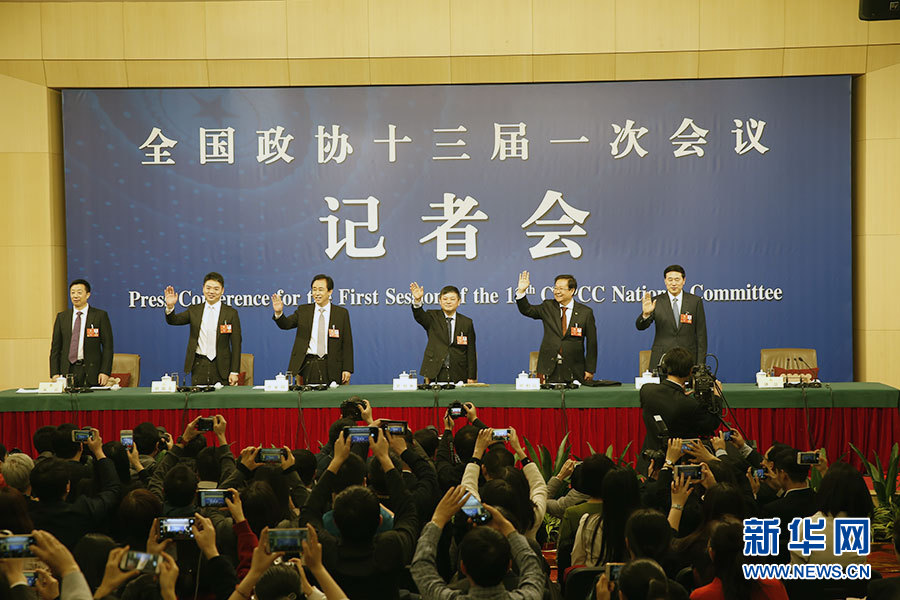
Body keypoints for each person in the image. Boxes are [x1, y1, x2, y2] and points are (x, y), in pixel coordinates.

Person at [410, 486, 544, 600]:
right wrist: (507, 527)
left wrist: (438, 519)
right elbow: (531, 566)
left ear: (463, 567)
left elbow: (421, 567)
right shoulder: (529, 596)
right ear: (509, 565)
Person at [635, 347, 720, 474]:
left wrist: (679, 393)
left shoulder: (646, 390)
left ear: (665, 368)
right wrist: (717, 397)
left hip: (649, 464)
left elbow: (667, 401)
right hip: (678, 469)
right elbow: (711, 424)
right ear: (690, 371)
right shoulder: (690, 405)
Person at [515, 271, 597, 382]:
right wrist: (521, 291)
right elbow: (527, 310)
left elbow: (592, 343)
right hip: (548, 368)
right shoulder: (548, 306)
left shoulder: (585, 312)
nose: (557, 292)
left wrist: (590, 369)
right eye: (555, 288)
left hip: (575, 369)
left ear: (572, 291)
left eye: (561, 289)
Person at [271, 274, 353, 385]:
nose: (316, 293)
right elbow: (286, 324)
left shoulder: (341, 313)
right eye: (314, 289)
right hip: (307, 364)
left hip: (332, 365)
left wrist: (347, 368)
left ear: (330, 292)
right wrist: (279, 313)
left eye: (320, 289)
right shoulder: (304, 311)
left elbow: (347, 343)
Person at [164, 272, 242, 386]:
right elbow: (173, 320)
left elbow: (236, 344)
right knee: (198, 397)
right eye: (208, 288)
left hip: (222, 367)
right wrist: (170, 307)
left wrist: (234, 371)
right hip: (199, 365)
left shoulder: (231, 313)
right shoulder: (194, 310)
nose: (211, 292)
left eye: (216, 289)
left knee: (221, 397)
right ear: (203, 289)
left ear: (222, 291)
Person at [636, 265, 707, 371]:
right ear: (665, 281)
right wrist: (646, 314)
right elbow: (640, 326)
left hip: (688, 360)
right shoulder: (656, 302)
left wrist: (700, 366)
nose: (673, 283)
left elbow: (701, 336)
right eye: (670, 279)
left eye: (677, 279)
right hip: (662, 360)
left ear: (684, 280)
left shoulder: (695, 302)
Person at [49, 279, 114, 387]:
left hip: (91, 371)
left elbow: (108, 347)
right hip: (67, 371)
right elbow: (55, 348)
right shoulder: (62, 317)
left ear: (87, 295)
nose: (75, 296)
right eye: (72, 293)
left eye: (79, 292)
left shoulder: (99, 316)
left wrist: (105, 372)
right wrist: (54, 373)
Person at [409, 282, 477, 383]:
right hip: (435, 371)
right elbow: (419, 316)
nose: (448, 302)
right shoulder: (432, 317)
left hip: (459, 372)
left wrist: (472, 376)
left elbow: (471, 351)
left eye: (452, 299)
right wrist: (417, 300)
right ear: (440, 301)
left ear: (459, 301)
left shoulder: (467, 322)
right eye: (445, 299)